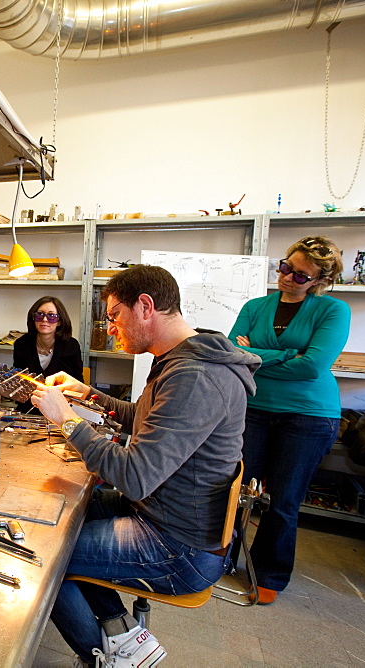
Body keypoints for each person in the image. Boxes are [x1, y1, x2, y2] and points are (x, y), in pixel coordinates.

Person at [30, 264, 260, 667]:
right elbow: (146, 419)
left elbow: (134, 477)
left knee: (44, 553)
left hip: (178, 547)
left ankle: (107, 658)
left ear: (146, 306)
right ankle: (122, 633)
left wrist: (67, 419)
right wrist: (89, 395)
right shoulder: (181, 358)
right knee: (58, 514)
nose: (112, 327)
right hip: (164, 515)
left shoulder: (196, 375)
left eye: (115, 315)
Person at [229, 235, 349, 605]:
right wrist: (286, 355)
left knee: (283, 500)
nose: (287, 278)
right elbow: (234, 352)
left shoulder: (333, 311)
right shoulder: (255, 305)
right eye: (285, 268)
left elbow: (314, 366)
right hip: (255, 409)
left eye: (300, 276)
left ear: (318, 281)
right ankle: (216, 558)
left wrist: (258, 357)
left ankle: (269, 574)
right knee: (233, 486)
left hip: (309, 416)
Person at [12, 296, 82, 413]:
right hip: (29, 409)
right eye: (40, 315)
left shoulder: (71, 345)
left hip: (61, 408)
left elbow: (78, 384)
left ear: (59, 321)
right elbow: (19, 381)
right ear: (33, 318)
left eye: (52, 316)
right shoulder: (22, 344)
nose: (44, 320)